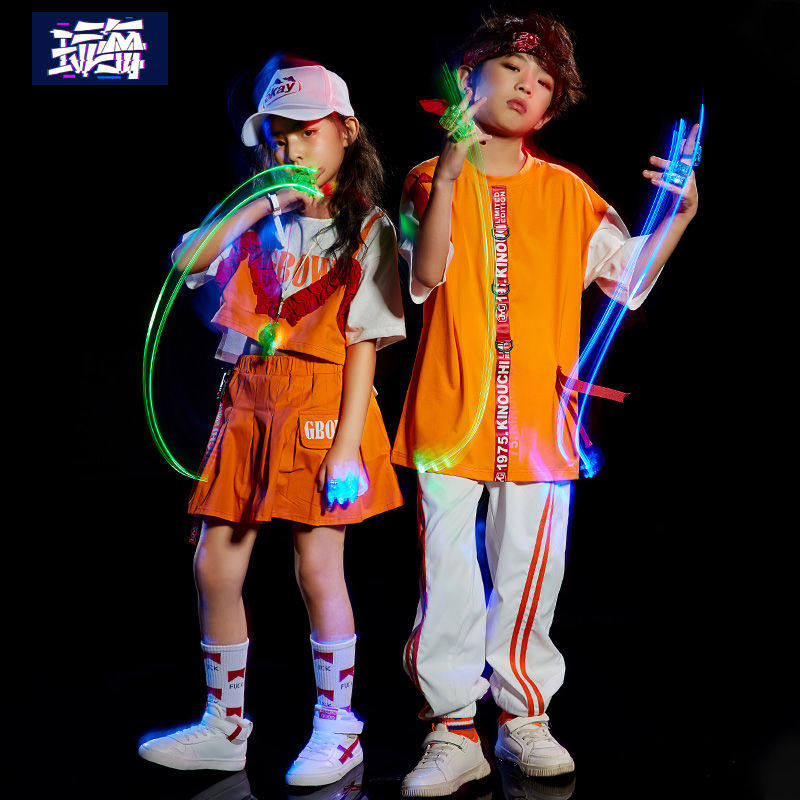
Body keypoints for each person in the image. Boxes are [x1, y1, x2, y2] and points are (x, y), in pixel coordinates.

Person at [391, 12, 699, 796]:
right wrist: (450, 177)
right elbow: (422, 277)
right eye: (512, 69)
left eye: (544, 82)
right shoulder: (427, 179)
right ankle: (452, 730)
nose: (528, 87)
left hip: (538, 421)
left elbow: (628, 281)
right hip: (449, 410)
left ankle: (523, 715)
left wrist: (679, 213)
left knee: (532, 569)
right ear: (468, 78)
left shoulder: (570, 194)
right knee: (446, 575)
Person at [138, 57, 406, 788]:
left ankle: (338, 726)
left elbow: (363, 345)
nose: (291, 149)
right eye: (279, 136)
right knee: (213, 562)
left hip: (321, 404)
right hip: (249, 401)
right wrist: (258, 204)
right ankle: (224, 725)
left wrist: (346, 449)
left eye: (307, 132)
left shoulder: (368, 229)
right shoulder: (261, 219)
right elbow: (187, 260)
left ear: (346, 132)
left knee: (317, 567)